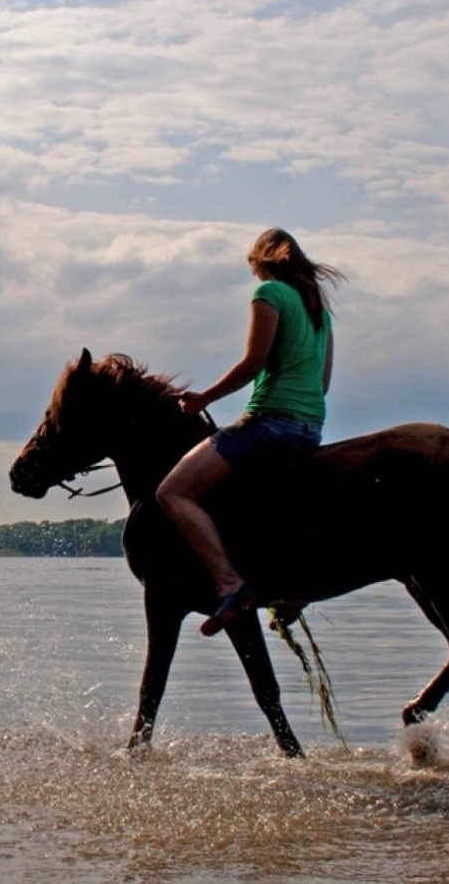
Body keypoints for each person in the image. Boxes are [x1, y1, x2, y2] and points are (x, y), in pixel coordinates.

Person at [155, 228, 341, 636]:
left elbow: (252, 364)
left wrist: (203, 399)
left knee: (172, 491)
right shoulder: (319, 313)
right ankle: (289, 584)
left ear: (261, 262)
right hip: (310, 429)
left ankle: (229, 582)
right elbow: (322, 384)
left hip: (270, 423)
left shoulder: (270, 295)